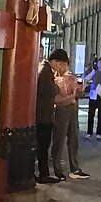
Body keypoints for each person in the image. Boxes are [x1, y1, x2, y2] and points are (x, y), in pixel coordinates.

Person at [52, 64, 90, 180]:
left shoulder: (70, 77)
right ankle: (56, 168)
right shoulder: (54, 78)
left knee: (73, 137)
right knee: (59, 138)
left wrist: (79, 89)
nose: (65, 67)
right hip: (61, 108)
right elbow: (58, 97)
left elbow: (78, 94)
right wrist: (71, 94)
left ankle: (74, 167)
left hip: (72, 107)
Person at [34, 49, 66, 184]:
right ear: (55, 61)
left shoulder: (46, 70)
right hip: (43, 115)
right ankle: (43, 174)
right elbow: (49, 90)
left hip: (43, 114)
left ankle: (41, 173)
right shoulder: (46, 72)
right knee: (42, 146)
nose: (62, 68)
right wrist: (57, 87)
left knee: (42, 146)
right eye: (61, 64)